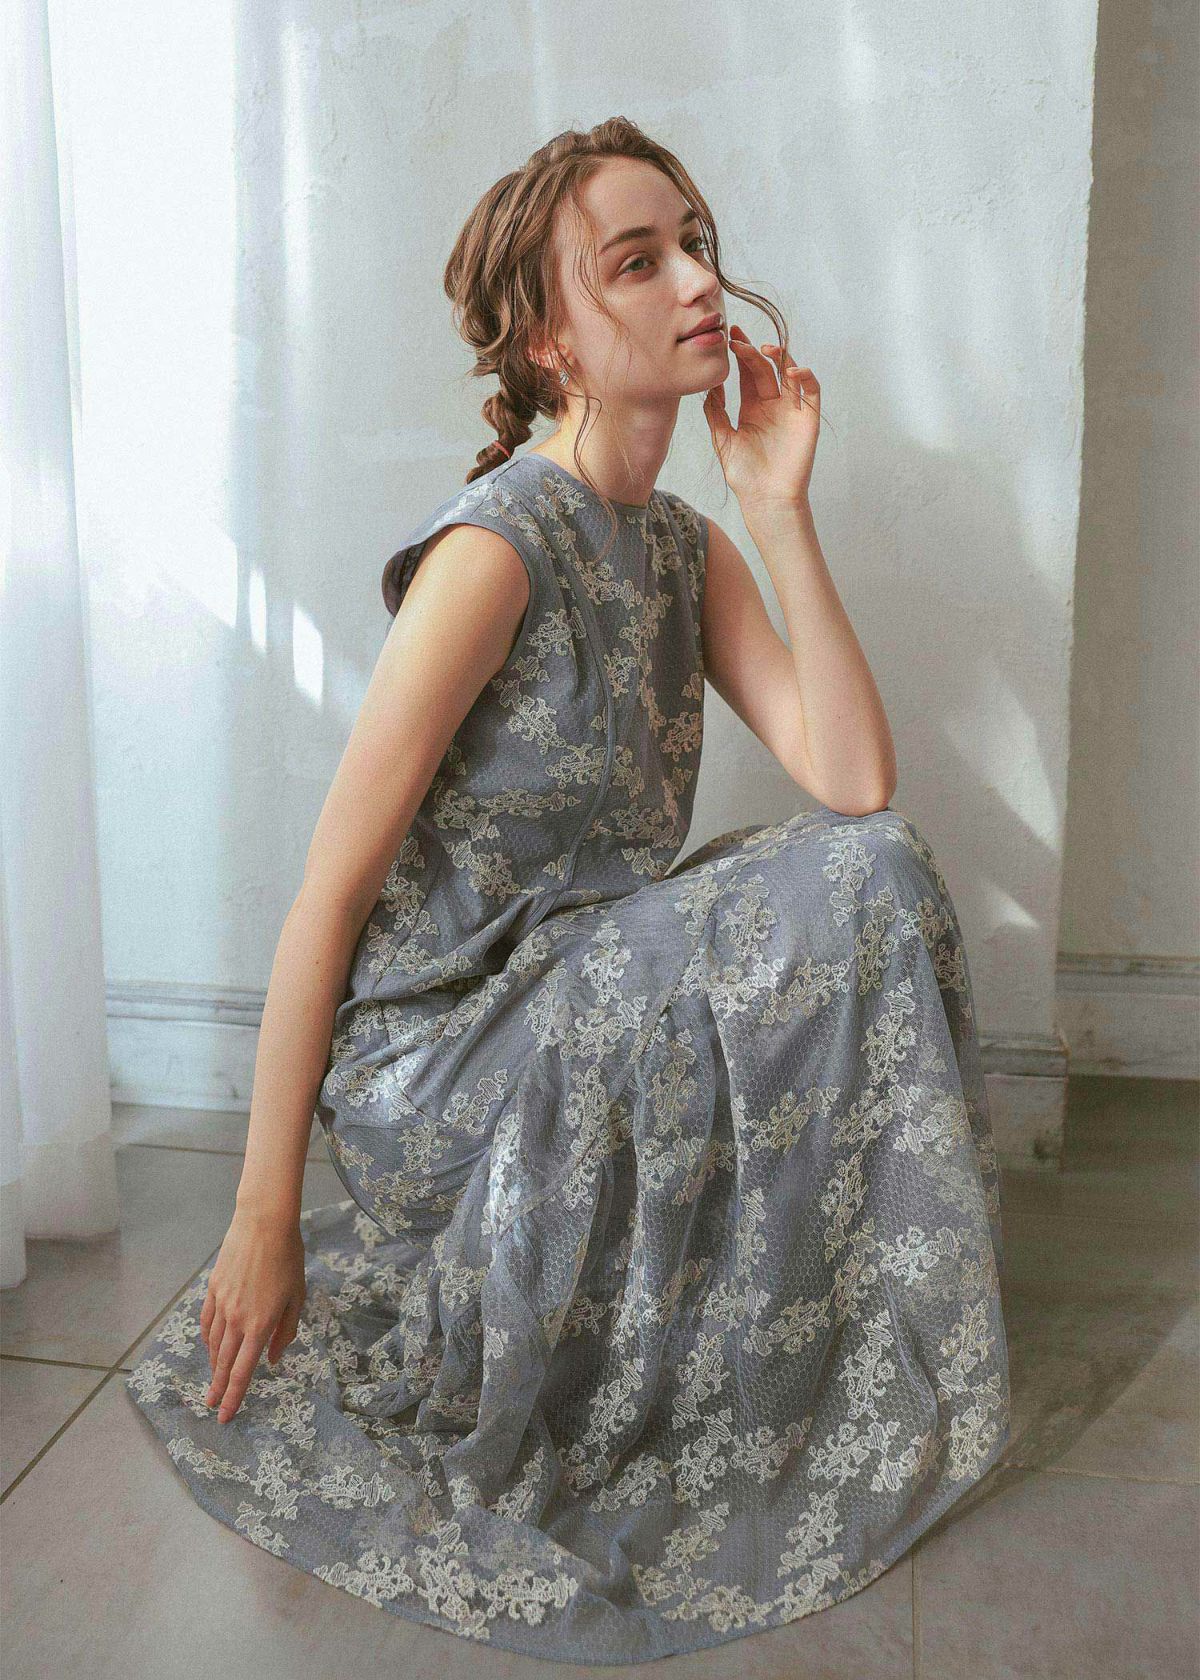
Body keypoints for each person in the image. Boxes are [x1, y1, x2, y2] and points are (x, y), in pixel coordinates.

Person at [127, 117, 1011, 1663]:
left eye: (697, 244)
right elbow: (325, 899)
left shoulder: (680, 547)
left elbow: (855, 781)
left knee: (868, 868)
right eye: (639, 262)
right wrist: (262, 1215)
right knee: (825, 891)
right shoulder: (495, 552)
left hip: (589, 1007)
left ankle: (806, 1337)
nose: (699, 281)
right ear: (549, 335)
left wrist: (778, 509)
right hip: (443, 1067)